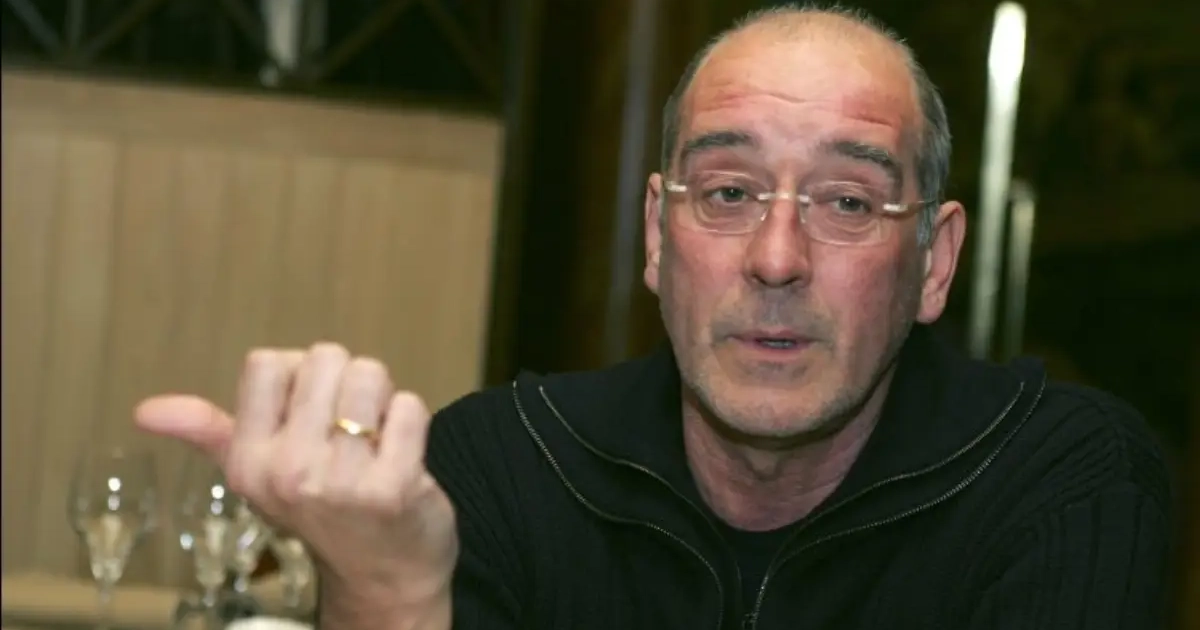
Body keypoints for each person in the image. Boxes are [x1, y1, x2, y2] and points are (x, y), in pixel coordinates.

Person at [135, 5, 1173, 629]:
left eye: (849, 203)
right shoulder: (503, 465)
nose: (776, 258)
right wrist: (386, 592)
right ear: (655, 235)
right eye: (727, 192)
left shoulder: (1061, 480)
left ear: (934, 263)